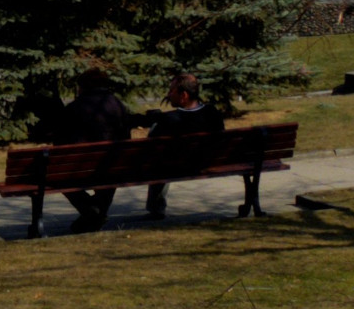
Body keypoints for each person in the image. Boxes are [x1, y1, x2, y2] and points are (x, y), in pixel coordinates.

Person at [52, 68, 135, 232]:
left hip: (80, 168)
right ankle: (96, 211)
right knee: (111, 171)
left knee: (57, 176)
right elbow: (126, 136)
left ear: (82, 87)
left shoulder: (73, 108)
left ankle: (91, 210)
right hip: (114, 166)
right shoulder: (117, 105)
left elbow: (60, 142)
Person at [141, 72, 226, 220]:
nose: (168, 94)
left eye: (172, 90)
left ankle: (156, 207)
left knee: (159, 162)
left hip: (176, 167)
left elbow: (150, 149)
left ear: (184, 95)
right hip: (208, 162)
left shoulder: (168, 120)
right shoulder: (213, 113)